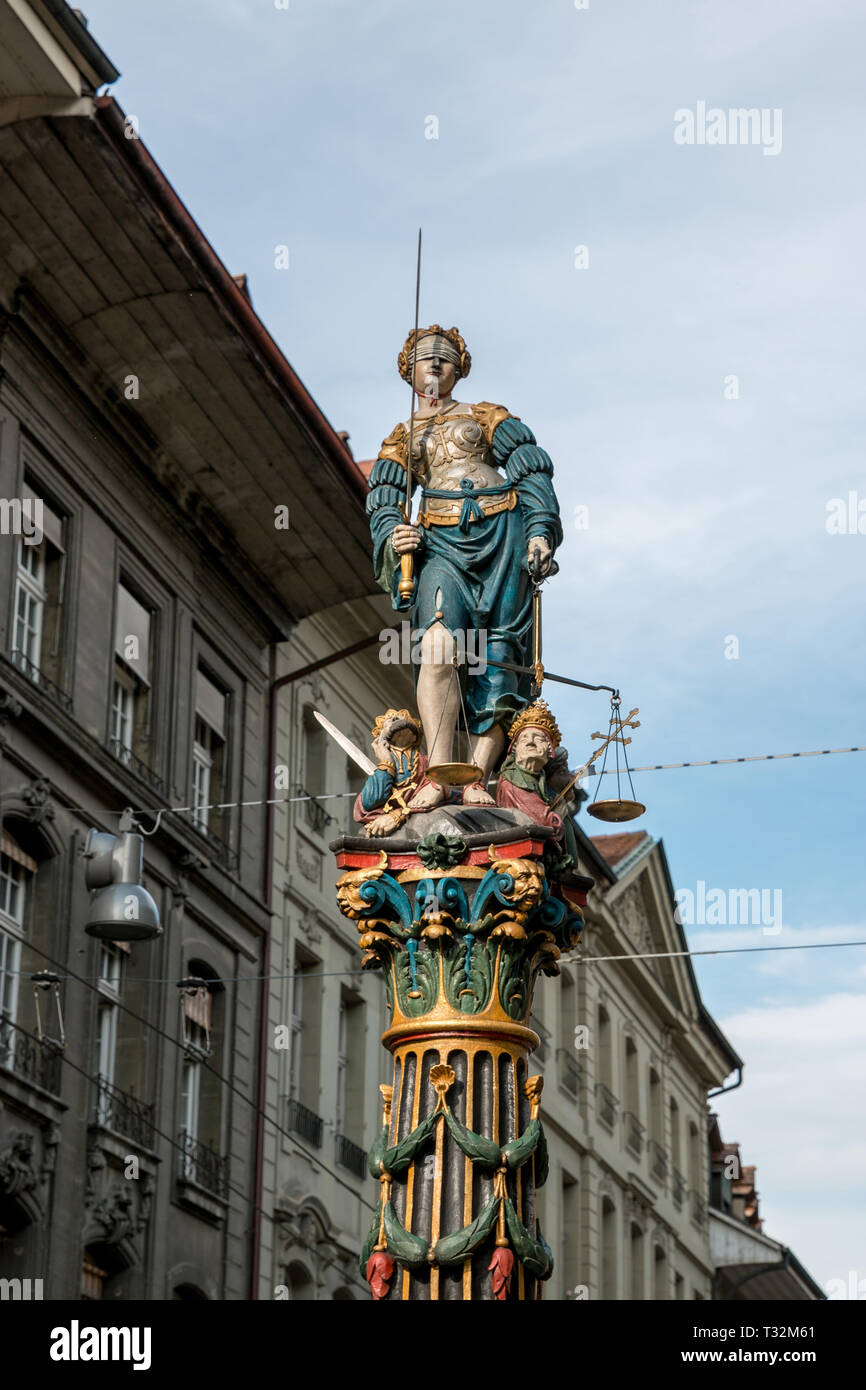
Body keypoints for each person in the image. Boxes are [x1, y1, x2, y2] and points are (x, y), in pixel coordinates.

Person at [366, 324, 562, 810]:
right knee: (438, 647)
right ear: (408, 371)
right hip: (441, 547)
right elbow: (384, 501)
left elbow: (530, 465)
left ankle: (476, 776)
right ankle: (437, 770)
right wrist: (396, 533)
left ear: (460, 369)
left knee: (496, 656)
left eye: (445, 357)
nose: (434, 364)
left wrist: (539, 528)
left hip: (502, 540)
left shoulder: (487, 416)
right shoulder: (402, 438)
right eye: (425, 358)